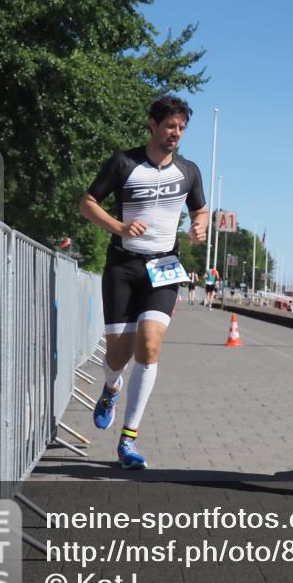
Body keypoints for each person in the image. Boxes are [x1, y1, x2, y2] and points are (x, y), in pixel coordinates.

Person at [79, 95, 208, 469]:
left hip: (164, 266)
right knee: (118, 354)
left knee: (149, 346)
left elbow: (199, 209)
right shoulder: (124, 162)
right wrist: (119, 227)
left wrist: (199, 224)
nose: (175, 133)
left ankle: (128, 441)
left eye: (181, 128)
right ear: (152, 124)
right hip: (123, 265)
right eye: (170, 126)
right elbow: (87, 203)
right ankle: (111, 388)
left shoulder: (189, 170)